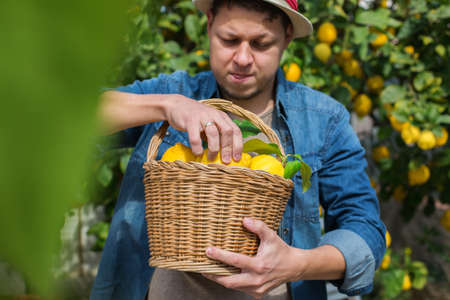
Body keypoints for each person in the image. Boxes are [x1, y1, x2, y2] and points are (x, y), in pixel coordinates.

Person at [90, 0, 386, 299]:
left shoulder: (324, 120)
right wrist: (166, 105)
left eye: (260, 43)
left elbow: (366, 230)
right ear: (208, 26)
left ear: (286, 37)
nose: (243, 58)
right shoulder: (173, 93)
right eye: (229, 40)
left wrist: (297, 264)